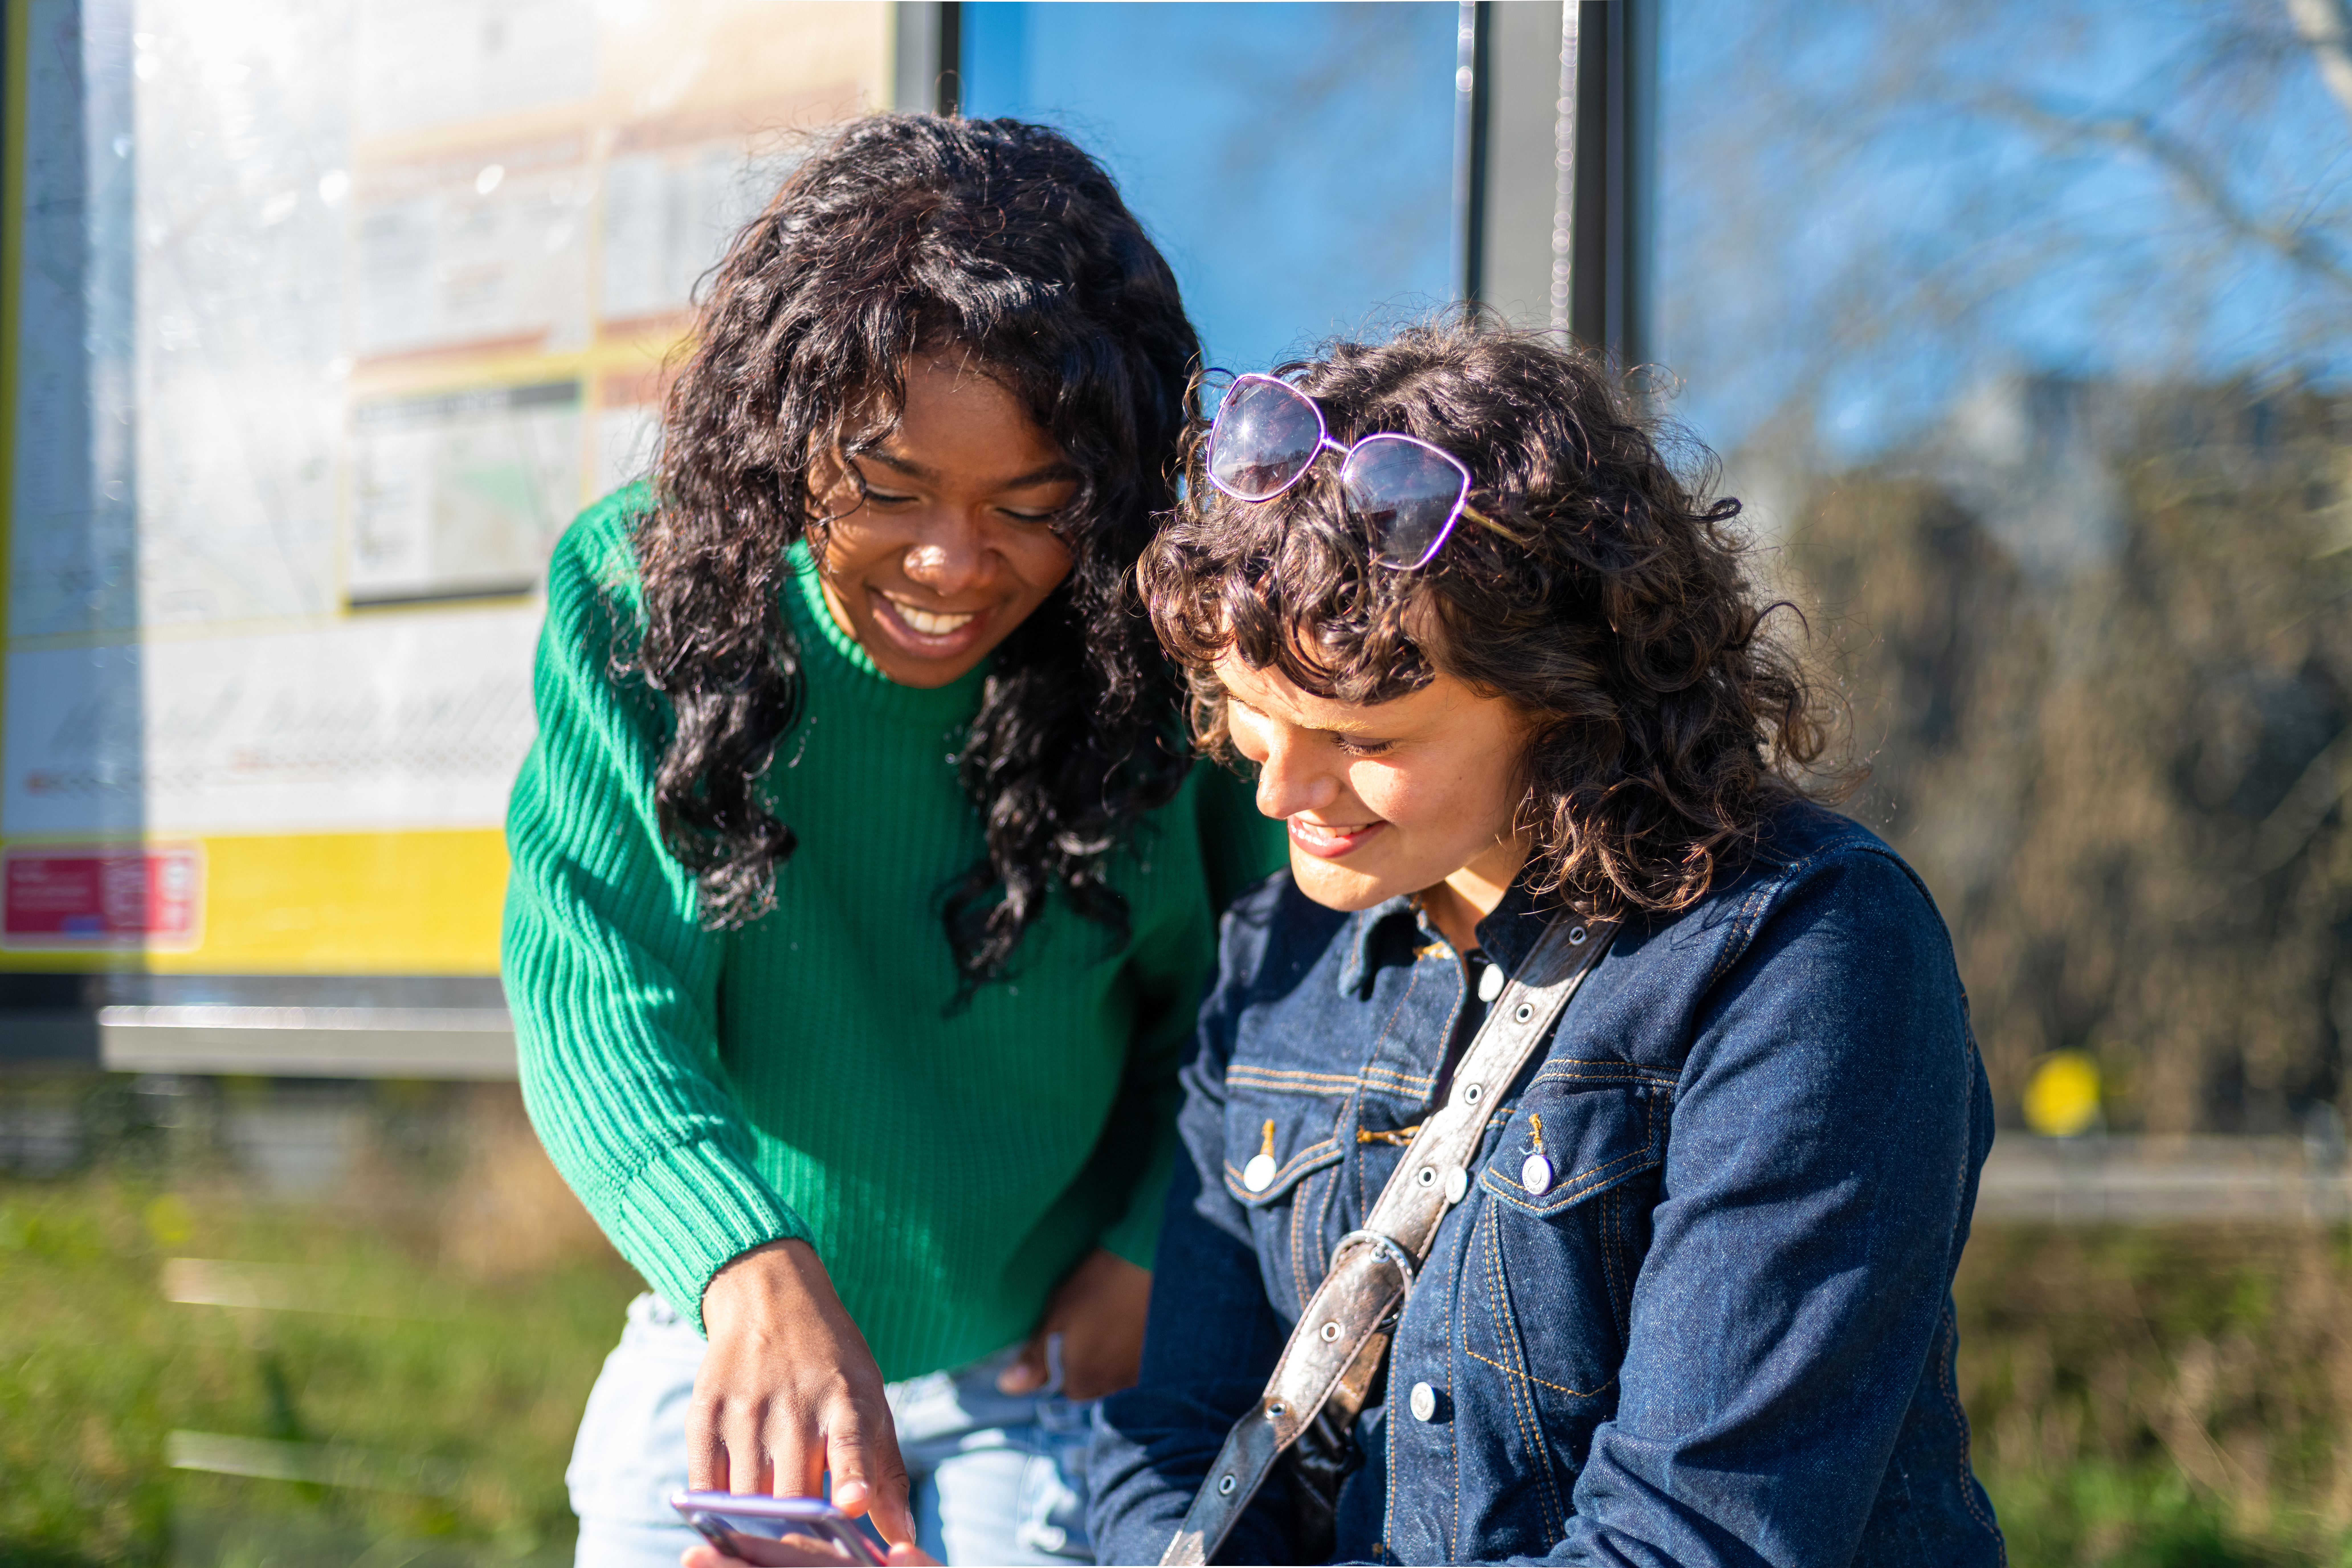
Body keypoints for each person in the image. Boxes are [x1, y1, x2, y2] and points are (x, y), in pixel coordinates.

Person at [1086, 320, 2005, 1565]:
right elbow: (1176, 1444)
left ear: (1566, 701)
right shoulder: (1279, 954)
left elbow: (1693, 1539)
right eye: (1254, 711)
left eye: (1367, 741)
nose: (1278, 790)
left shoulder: (1803, 952)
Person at [502, 114, 1283, 1568]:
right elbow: (596, 986)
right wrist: (741, 1259)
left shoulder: (1161, 655)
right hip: (737, 1324)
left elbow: (1252, 994)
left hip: (1047, 1366)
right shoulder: (638, 598)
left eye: (1033, 509)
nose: (952, 565)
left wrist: (1145, 1242)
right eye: (888, 487)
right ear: (778, 429)